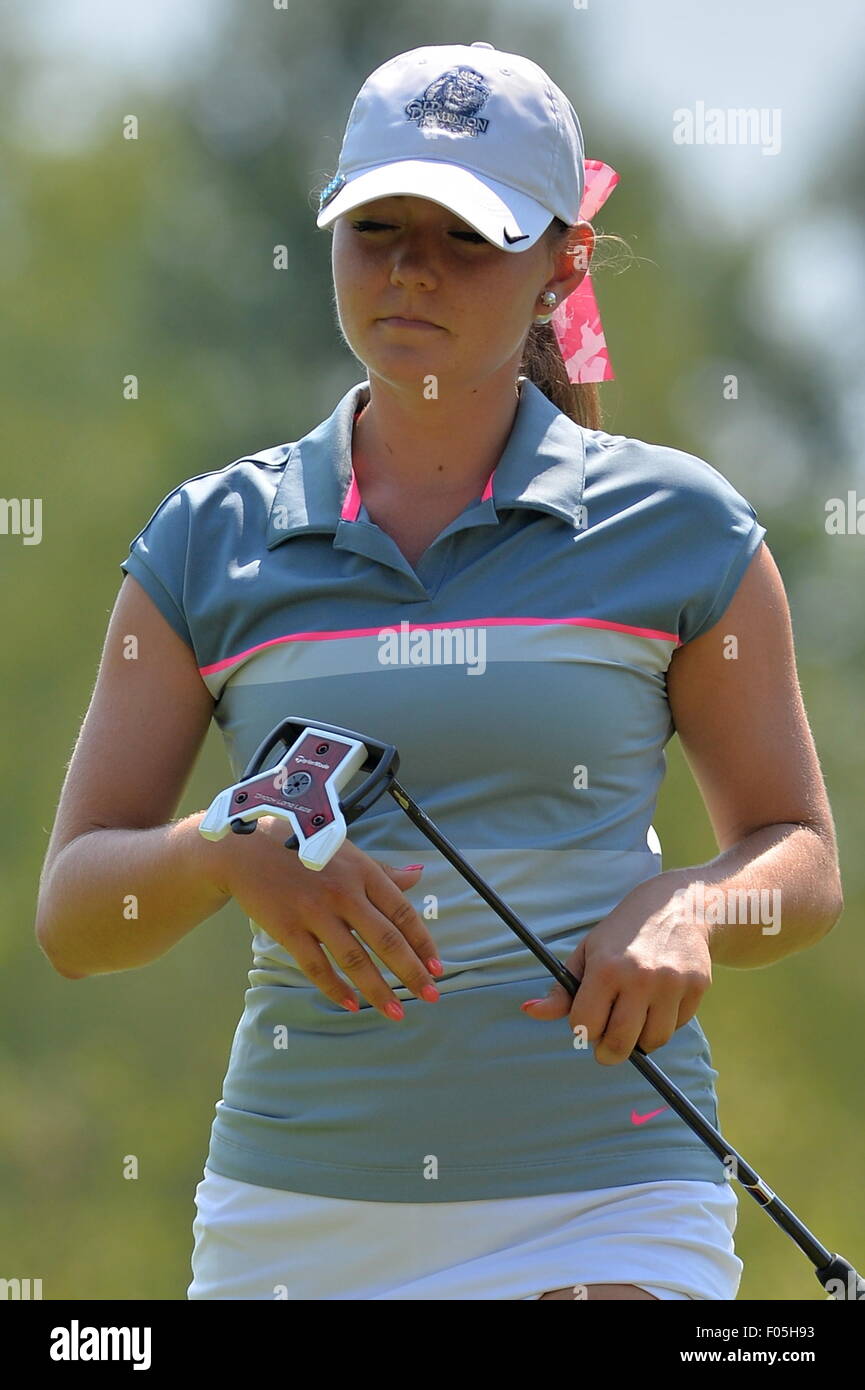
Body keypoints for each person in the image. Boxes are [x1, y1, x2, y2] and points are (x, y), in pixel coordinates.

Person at [35, 41, 843, 1302]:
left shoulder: (682, 528)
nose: (411, 268)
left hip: (607, 1198)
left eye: (466, 236)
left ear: (558, 269)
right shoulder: (204, 538)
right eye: (378, 227)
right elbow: (78, 918)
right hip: (294, 1221)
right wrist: (219, 850)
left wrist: (688, 909)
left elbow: (798, 856)